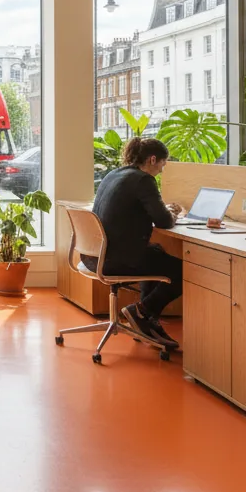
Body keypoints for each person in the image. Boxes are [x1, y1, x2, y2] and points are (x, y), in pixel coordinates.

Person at [90, 137, 183, 349]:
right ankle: (142, 311)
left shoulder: (115, 174)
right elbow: (164, 221)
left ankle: (144, 321)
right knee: (183, 271)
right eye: (162, 164)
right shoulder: (143, 180)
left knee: (154, 252)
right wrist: (172, 212)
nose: (161, 170)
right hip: (115, 260)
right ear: (152, 159)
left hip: (94, 256)